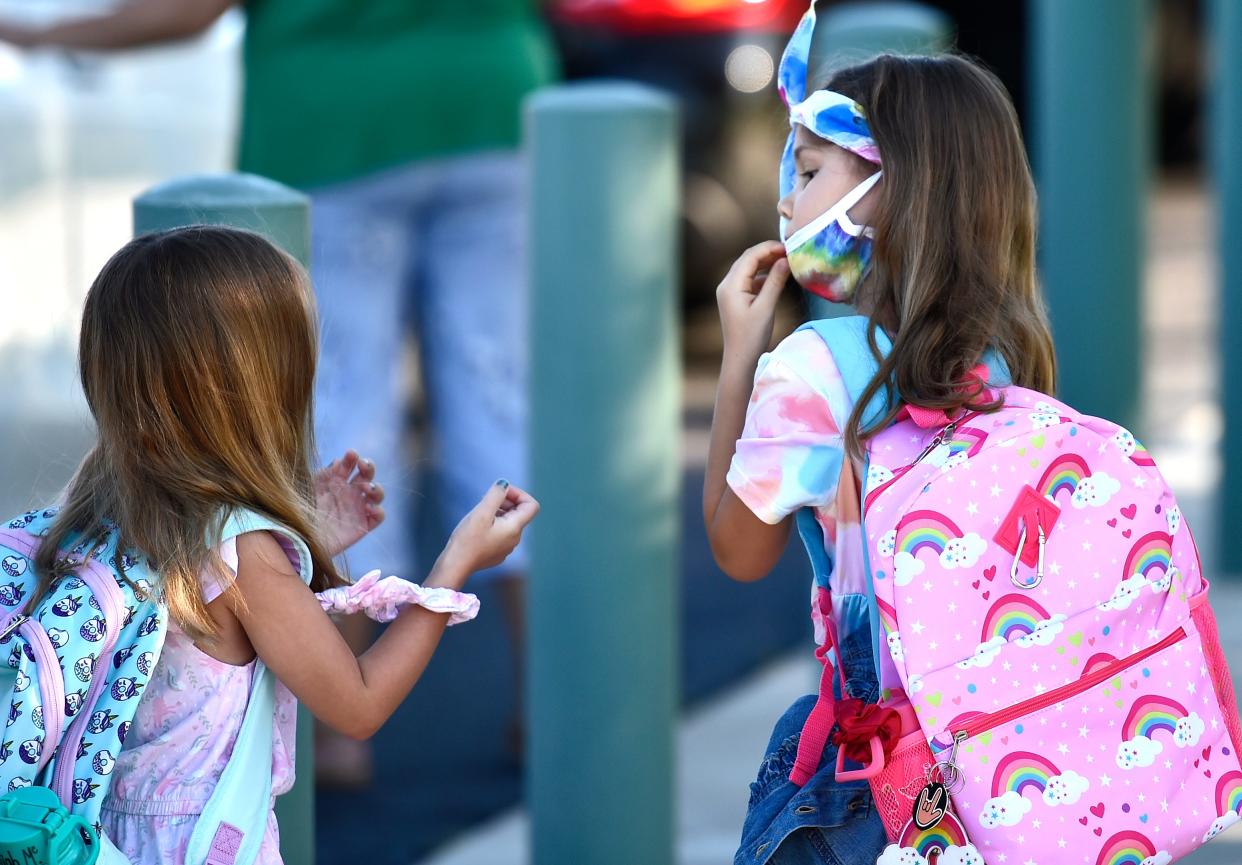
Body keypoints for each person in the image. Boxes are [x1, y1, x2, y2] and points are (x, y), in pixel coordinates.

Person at [0, 0, 555, 777]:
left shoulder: (83, 516)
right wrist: (448, 567)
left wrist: (40, 33)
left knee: (343, 405)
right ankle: (554, 706)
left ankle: (335, 738)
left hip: (331, 120)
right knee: (503, 407)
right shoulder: (238, 551)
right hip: (494, 102)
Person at [32, 225, 538, 864]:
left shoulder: (96, 509)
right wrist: (452, 565)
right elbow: (356, 706)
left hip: (99, 836)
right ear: (261, 385)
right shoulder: (239, 554)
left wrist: (299, 540)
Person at [701, 17, 1058, 864]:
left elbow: (736, 546)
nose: (785, 200)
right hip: (1005, 763)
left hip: (868, 779)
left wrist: (739, 360)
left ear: (890, 195)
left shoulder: (813, 370)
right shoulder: (1011, 358)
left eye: (812, 171)